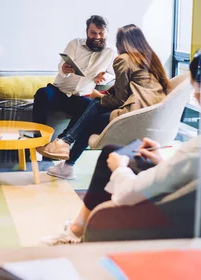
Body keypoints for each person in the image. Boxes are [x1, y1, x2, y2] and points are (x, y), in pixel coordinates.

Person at [41, 45, 201, 245]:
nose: (195, 97)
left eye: (196, 88)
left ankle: (77, 230)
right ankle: (77, 229)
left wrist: (121, 166)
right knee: (122, 151)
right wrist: (163, 163)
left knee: (114, 156)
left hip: (171, 224)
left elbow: (126, 195)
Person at [40, 24, 169, 179]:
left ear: (122, 42)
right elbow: (127, 89)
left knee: (93, 114)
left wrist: (99, 97)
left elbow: (119, 99)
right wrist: (100, 94)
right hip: (155, 114)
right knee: (94, 105)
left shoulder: (123, 59)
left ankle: (66, 149)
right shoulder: (149, 57)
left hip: (134, 113)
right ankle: (65, 145)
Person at [32, 15, 116, 137]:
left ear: (107, 33)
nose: (97, 37)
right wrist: (64, 69)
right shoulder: (75, 44)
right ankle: (38, 136)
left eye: (101, 33)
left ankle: (62, 140)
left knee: (89, 105)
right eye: (93, 33)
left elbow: (111, 74)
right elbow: (62, 66)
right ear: (87, 31)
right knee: (42, 93)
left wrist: (103, 78)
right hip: (59, 92)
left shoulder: (111, 51)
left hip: (81, 97)